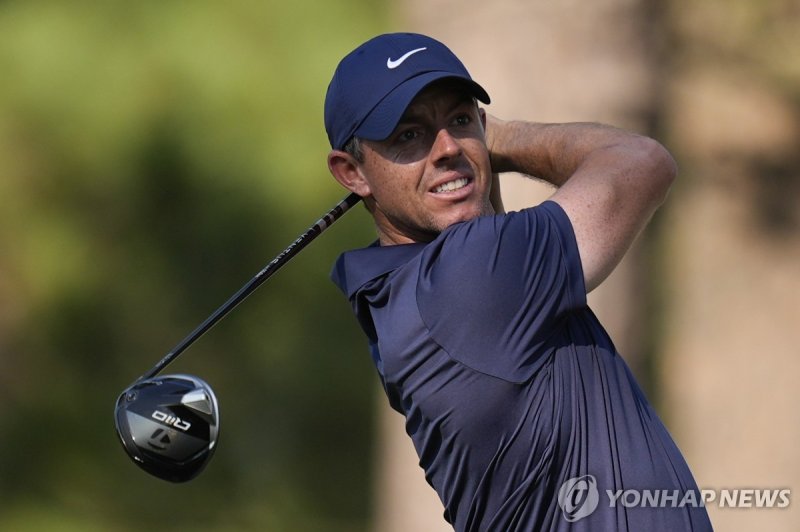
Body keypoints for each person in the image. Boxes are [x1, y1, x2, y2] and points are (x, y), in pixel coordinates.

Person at [323, 32, 712, 531]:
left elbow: (487, 225)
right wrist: (499, 140)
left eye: (459, 120)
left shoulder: (398, 294)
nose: (447, 148)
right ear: (352, 173)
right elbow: (642, 163)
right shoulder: (468, 276)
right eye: (408, 135)